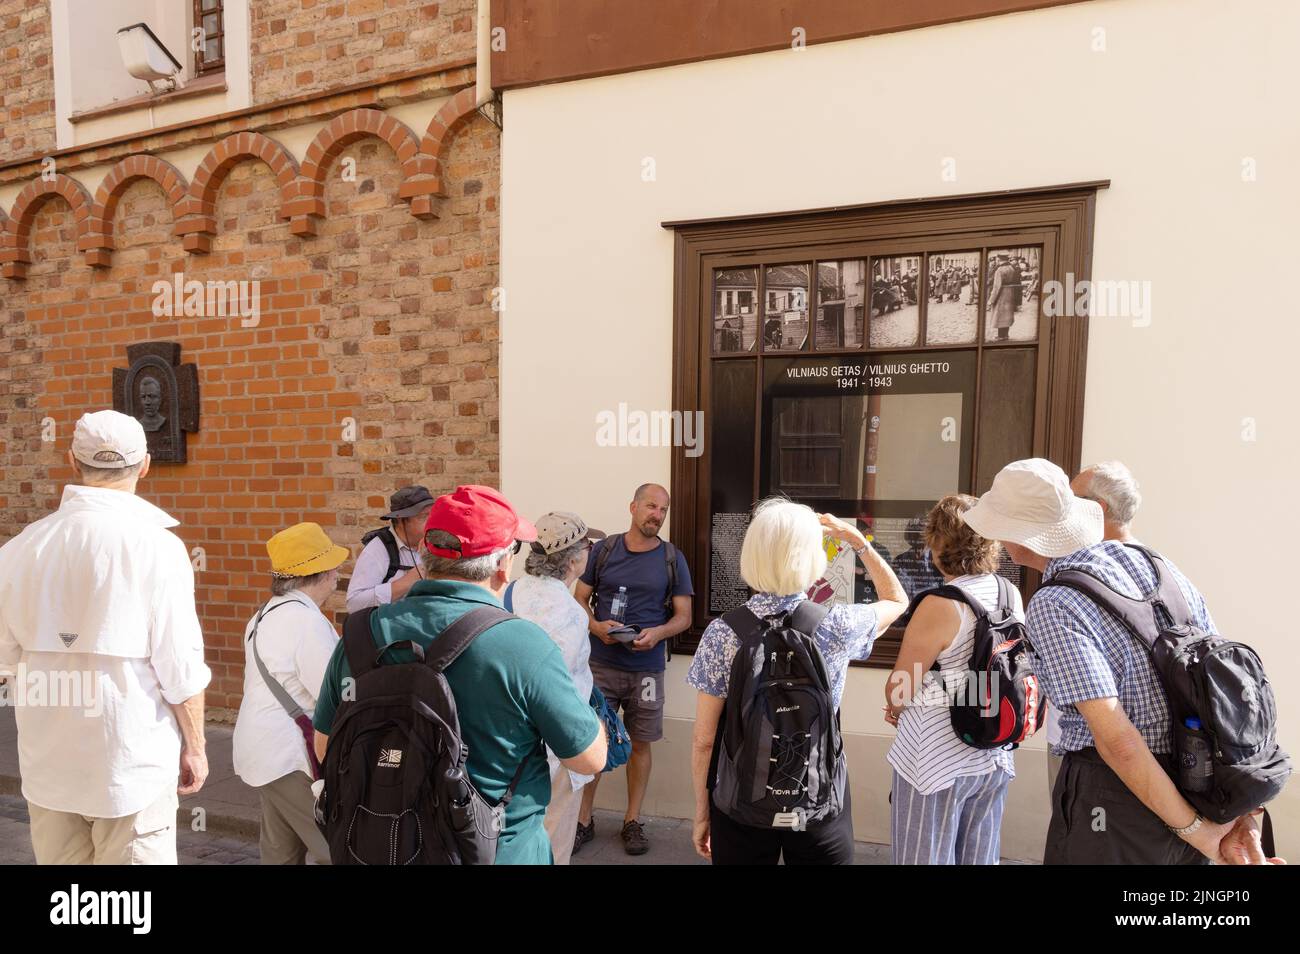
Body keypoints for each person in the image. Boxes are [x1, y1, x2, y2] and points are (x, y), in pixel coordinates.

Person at [962, 458, 1276, 864]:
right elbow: (1229, 693)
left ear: (1022, 538)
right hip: (1200, 781)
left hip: (1118, 802)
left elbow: (1119, 742)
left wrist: (1202, 837)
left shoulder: (1055, 602)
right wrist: (1240, 817)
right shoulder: (1160, 565)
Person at [313, 484, 606, 864]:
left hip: (385, 846)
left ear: (423, 554)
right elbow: (588, 759)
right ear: (503, 565)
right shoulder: (522, 644)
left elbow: (325, 747)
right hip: (496, 849)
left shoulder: (359, 635)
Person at [0, 410, 210, 864]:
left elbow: (4, 659)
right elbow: (180, 668)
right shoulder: (159, 549)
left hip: (49, 769)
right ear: (146, 465)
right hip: (129, 765)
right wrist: (196, 746)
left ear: (71, 461)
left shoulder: (18, 551)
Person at [688, 499, 907, 864]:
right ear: (812, 557)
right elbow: (897, 600)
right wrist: (858, 541)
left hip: (740, 803)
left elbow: (703, 740)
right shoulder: (837, 625)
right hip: (818, 802)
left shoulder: (723, 633)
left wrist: (702, 812)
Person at [884, 495, 1022, 864]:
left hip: (935, 759)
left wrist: (896, 707)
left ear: (937, 542)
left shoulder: (941, 604)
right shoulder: (1009, 593)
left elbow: (900, 687)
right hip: (992, 751)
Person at [573, 483, 694, 856]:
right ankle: (583, 821)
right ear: (633, 507)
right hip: (601, 664)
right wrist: (595, 627)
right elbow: (578, 598)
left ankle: (632, 821)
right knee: (592, 742)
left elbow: (684, 617)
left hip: (647, 669)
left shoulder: (672, 558)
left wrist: (657, 633)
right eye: (650, 506)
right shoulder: (605, 550)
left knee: (640, 743)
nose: (656, 514)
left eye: (663, 509)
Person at [233, 522, 348, 865]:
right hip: (289, 755)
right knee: (335, 848)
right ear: (320, 573)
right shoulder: (305, 622)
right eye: (333, 567)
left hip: (263, 748)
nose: (338, 574)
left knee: (281, 852)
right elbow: (330, 695)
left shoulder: (263, 615)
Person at [1034, 460, 1143, 794]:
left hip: (1092, 753)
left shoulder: (1078, 579)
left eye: (1072, 498)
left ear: (1097, 509)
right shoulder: (1157, 567)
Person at [505, 511, 606, 864]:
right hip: (554, 746)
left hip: (507, 741)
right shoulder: (570, 613)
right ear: (575, 559)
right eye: (588, 546)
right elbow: (557, 690)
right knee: (553, 843)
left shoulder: (510, 591)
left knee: (512, 838)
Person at [345, 485, 434, 613]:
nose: (431, 522)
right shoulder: (377, 549)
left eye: (432, 515)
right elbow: (354, 604)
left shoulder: (434, 542)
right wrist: (408, 581)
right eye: (424, 517)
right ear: (401, 520)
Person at [987, 254, 1017, 340]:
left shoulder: (999, 270)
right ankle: (1006, 334)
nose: (996, 261)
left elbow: (996, 287)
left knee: (1000, 315)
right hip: (1010, 293)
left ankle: (1001, 336)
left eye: (997, 259)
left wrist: (991, 300)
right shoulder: (1011, 268)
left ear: (999, 259)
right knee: (1007, 315)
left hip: (1002, 294)